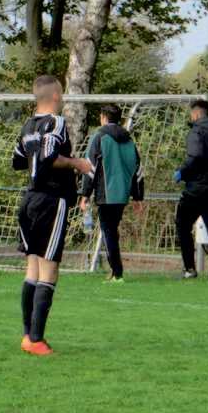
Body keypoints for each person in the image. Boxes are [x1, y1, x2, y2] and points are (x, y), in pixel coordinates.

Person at [12, 75, 92, 356]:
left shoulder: (28, 126)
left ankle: (28, 336)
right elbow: (49, 156)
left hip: (30, 200)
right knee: (49, 270)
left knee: (33, 269)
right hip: (50, 200)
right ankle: (36, 339)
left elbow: (17, 161)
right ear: (56, 96)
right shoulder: (55, 122)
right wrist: (77, 163)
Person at [78, 105, 144, 282]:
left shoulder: (99, 137)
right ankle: (116, 271)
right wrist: (137, 197)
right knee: (112, 231)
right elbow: (138, 169)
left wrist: (85, 195)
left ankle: (117, 272)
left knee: (108, 232)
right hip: (122, 195)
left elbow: (90, 167)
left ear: (103, 117)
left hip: (106, 194)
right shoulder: (129, 140)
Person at [174, 99, 208, 279]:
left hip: (196, 188)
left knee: (182, 224)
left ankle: (190, 269)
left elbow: (195, 156)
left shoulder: (196, 131)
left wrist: (182, 172)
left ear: (196, 114)